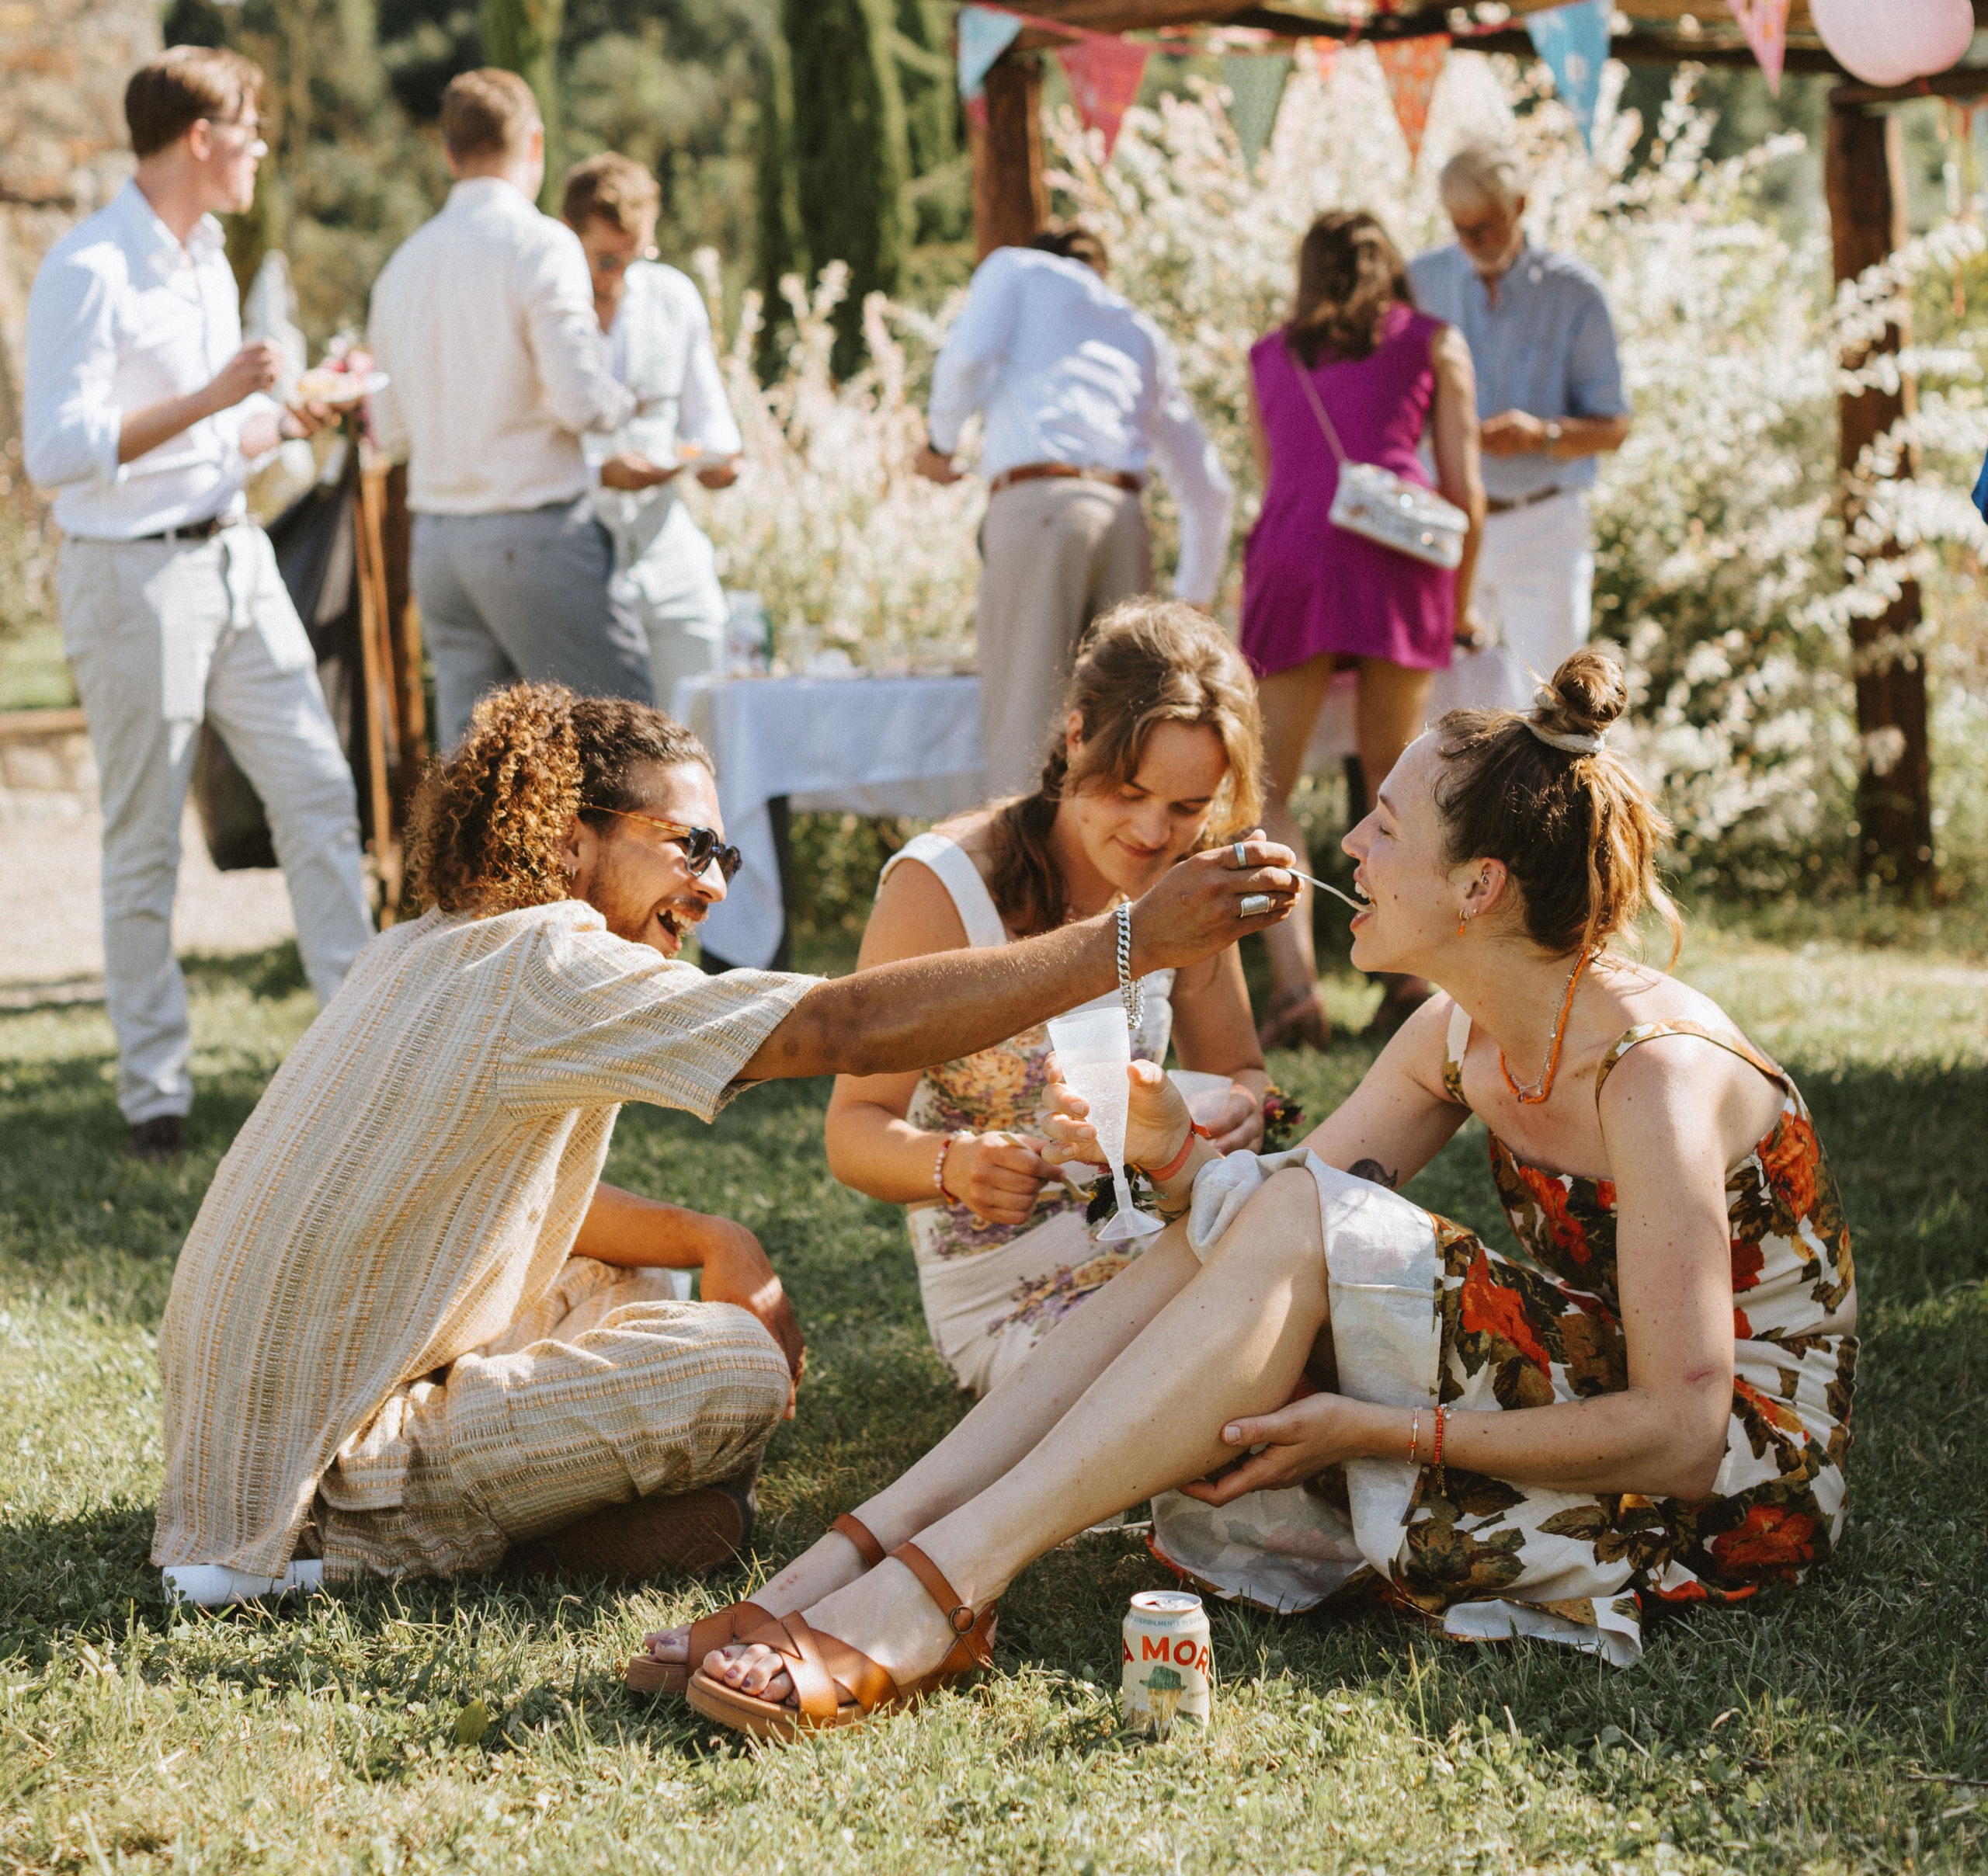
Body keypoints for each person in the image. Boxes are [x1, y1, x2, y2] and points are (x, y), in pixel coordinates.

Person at [665, 648, 1854, 1735]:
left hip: (1733, 1490)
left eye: (1382, 829)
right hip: (1595, 1394)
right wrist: (1181, 1156)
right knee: (1261, 1207)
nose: (1349, 852)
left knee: (1283, 1207)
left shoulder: (1653, 1078)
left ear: (1480, 886)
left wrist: (1369, 1430)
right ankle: (855, 1560)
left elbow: (1688, 1433)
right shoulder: (1457, 1032)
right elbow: (1262, 1224)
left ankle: (939, 1589)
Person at [151, 680, 1300, 1603]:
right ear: (568, 841)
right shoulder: (552, 963)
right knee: (735, 1368)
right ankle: (327, 1560)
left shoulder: (433, 945)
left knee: (639, 1275)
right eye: (684, 846)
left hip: (261, 1418)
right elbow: (844, 1022)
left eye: (723, 856)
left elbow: (492, 1202)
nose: (708, 886)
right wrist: (1128, 940)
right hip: (297, 1485)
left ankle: (541, 1524)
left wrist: (713, 1232)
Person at [23, 49, 375, 1163]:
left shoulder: (211, 260)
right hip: (130, 578)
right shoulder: (90, 268)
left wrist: (294, 409)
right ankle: (154, 1098)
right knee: (143, 843)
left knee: (322, 798)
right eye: (250, 128)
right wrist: (219, 394)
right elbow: (58, 455)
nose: (261, 146)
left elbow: (218, 440)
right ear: (197, 139)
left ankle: (365, 1060)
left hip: (235, 557)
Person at [825, 603, 1277, 1396]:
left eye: (1186, 807)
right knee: (1178, 1384)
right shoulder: (941, 886)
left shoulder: (1191, 879)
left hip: (1163, 1231)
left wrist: (1245, 1105)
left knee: (1299, 1323)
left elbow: (1240, 1069)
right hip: (1009, 1279)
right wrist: (951, 1164)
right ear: (1075, 737)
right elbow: (852, 1128)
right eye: (1129, 791)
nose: (1151, 832)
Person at [1239, 210, 1483, 1051]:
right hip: (1396, 560)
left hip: (1295, 552)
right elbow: (1466, 492)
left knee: (1267, 787)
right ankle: (1410, 978)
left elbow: (1278, 479)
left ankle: (1298, 990)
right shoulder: (1433, 340)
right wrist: (1460, 601)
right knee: (1396, 780)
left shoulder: (1268, 355)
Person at [367, 71, 656, 752]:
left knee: (479, 780)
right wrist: (625, 402)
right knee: (626, 747)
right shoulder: (540, 242)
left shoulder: (402, 266)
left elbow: (391, 430)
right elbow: (579, 399)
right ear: (535, 142)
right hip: (533, 535)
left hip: (439, 545)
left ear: (448, 154)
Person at [918, 228, 1233, 797]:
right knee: (1123, 740)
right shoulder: (1138, 330)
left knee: (1026, 731)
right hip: (1124, 520)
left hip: (1039, 508)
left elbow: (965, 357)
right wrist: (1193, 600)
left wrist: (940, 443)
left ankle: (1020, 885)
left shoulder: (1014, 269)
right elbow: (1208, 487)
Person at [1410, 138, 1628, 707]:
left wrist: (1544, 436)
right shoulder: (1420, 282)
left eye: (1486, 227)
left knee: (1551, 709)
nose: (1473, 243)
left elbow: (1613, 425)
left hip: (1542, 520)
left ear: (1521, 206)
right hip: (1443, 521)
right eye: (1461, 229)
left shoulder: (1574, 293)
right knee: (1441, 722)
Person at [559, 154, 742, 718]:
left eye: (636, 256)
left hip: (667, 540)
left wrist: (718, 459)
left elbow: (707, 414)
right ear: (569, 238)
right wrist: (599, 473)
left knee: (703, 705)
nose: (620, 274)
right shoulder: (544, 309)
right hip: (576, 545)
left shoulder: (672, 296)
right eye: (605, 258)